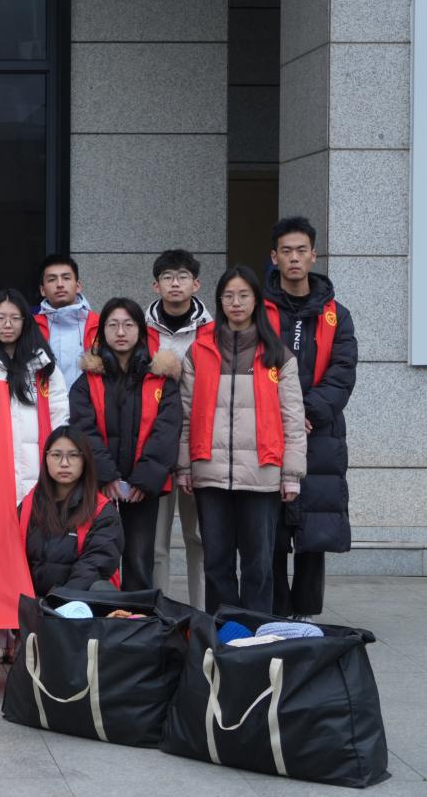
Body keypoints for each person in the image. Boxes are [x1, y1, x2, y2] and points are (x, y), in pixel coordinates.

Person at [178, 265, 307, 614]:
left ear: (256, 301)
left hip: (262, 474)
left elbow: (293, 419)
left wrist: (291, 474)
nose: (236, 303)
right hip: (209, 473)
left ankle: (255, 632)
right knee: (216, 563)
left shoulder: (277, 355)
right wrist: (184, 467)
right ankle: (223, 631)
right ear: (219, 301)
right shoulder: (199, 351)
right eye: (229, 296)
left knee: (258, 565)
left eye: (244, 295)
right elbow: (186, 415)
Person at [0, 288, 68, 663]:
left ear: (25, 322)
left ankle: (26, 633)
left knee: (33, 555)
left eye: (14, 318)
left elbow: (61, 419)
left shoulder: (44, 365)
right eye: (0, 318)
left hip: (36, 476)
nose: (7, 325)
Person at [265, 217, 357, 619]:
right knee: (269, 527)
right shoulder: (259, 310)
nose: (294, 258)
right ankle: (274, 608)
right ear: (274, 257)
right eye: (286, 251)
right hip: (269, 428)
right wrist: (282, 415)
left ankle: (304, 611)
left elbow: (343, 372)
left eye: (301, 250)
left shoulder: (337, 314)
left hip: (320, 432)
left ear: (313, 255)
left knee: (314, 526)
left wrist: (304, 412)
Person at [70, 298, 182, 592]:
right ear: (102, 331)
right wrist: (105, 476)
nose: (121, 332)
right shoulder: (87, 381)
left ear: (141, 331)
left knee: (139, 559)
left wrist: (143, 480)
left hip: (142, 488)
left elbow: (167, 432)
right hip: (99, 487)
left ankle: (137, 616)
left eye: (128, 325)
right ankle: (98, 614)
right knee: (97, 556)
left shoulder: (160, 379)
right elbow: (84, 430)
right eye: (113, 325)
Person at [146, 249, 211, 609]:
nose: (175, 283)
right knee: (156, 543)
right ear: (156, 285)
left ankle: (201, 614)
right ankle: (161, 614)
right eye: (168, 277)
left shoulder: (212, 332)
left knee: (198, 537)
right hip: (154, 444)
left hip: (199, 444)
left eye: (183, 276)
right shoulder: (140, 329)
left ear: (196, 284)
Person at [21, 426, 124, 599]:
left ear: (85, 460)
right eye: (56, 455)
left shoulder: (102, 512)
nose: (64, 463)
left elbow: (93, 569)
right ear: (45, 458)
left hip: (79, 605)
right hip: (32, 604)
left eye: (73, 455)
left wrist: (56, 603)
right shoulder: (29, 506)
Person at [34, 254, 99, 388]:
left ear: (78, 285)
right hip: (45, 400)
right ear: (42, 290)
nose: (60, 284)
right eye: (52, 279)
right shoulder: (31, 327)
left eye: (66, 278)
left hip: (89, 401)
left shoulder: (100, 325)